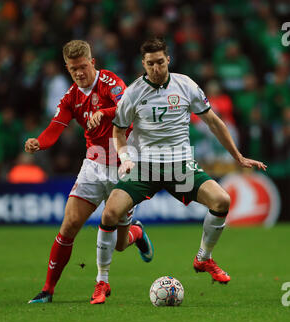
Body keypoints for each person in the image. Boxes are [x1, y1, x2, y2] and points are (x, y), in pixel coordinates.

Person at [97, 37, 267, 293]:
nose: (156, 68)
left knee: (222, 201)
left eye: (160, 62)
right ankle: (102, 281)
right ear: (143, 64)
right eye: (150, 63)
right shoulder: (132, 93)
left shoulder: (185, 85)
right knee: (109, 215)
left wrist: (238, 156)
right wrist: (125, 157)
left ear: (169, 60)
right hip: (145, 166)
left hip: (180, 167)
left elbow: (213, 122)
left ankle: (204, 258)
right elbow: (118, 132)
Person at [25, 40, 154, 304]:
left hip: (124, 164)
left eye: (83, 67)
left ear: (92, 62)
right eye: (74, 69)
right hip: (94, 165)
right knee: (69, 224)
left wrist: (104, 113)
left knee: (119, 244)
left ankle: (136, 233)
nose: (80, 73)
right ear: (67, 69)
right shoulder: (71, 97)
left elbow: (127, 108)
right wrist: (39, 142)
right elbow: (55, 126)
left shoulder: (109, 81)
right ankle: (48, 290)